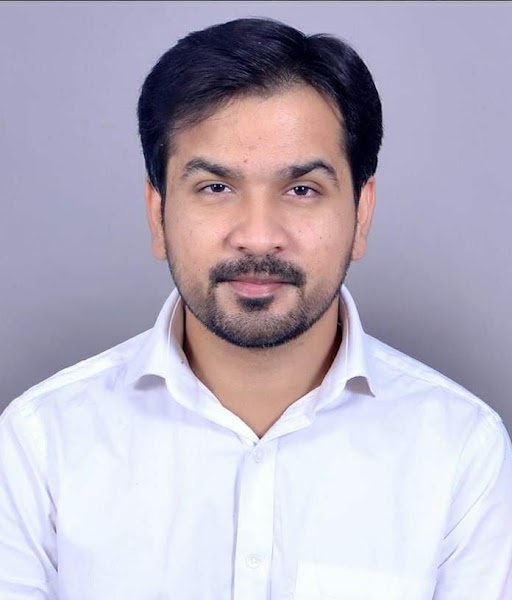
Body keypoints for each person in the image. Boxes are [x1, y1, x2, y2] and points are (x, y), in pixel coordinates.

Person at [0, 16, 511, 600]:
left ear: (362, 213)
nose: (259, 236)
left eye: (302, 189)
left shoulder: (461, 450)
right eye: (215, 188)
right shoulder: (39, 445)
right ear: (157, 214)